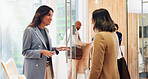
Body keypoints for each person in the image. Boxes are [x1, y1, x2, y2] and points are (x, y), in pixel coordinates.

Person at [22, 5, 69, 79]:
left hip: (48, 67)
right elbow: (25, 52)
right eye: (49, 15)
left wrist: (57, 49)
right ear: (41, 15)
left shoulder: (46, 31)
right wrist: (40, 52)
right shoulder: (30, 30)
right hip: (35, 70)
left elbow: (46, 49)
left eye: (52, 16)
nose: (51, 18)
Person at [89, 8, 120, 79]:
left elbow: (96, 67)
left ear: (97, 20)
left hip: (104, 76)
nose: (91, 21)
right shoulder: (113, 34)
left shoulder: (100, 36)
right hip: (114, 75)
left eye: (92, 18)